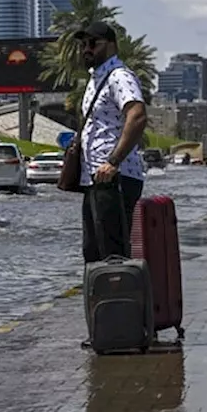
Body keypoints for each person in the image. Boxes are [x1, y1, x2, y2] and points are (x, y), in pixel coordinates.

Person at [75, 21, 148, 265]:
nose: (87, 49)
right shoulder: (97, 79)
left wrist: (112, 162)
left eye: (93, 43)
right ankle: (100, 301)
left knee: (112, 255)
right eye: (83, 44)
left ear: (111, 46)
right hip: (96, 179)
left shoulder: (119, 76)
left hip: (114, 178)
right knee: (93, 253)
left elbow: (136, 115)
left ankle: (120, 301)